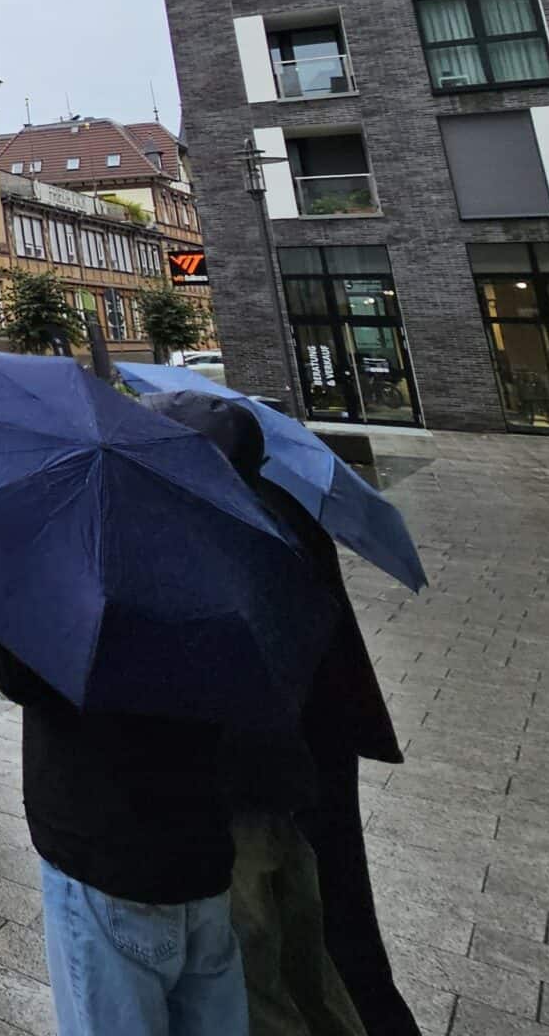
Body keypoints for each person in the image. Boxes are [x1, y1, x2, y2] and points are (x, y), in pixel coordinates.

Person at [152, 391, 405, 1036]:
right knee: (335, 937)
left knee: (274, 962)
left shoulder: (234, 538)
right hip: (315, 759)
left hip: (271, 782)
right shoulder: (279, 508)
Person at [0, 631, 247, 1036]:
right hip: (204, 841)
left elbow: (19, 674)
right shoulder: (223, 570)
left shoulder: (68, 566)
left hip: (103, 847)